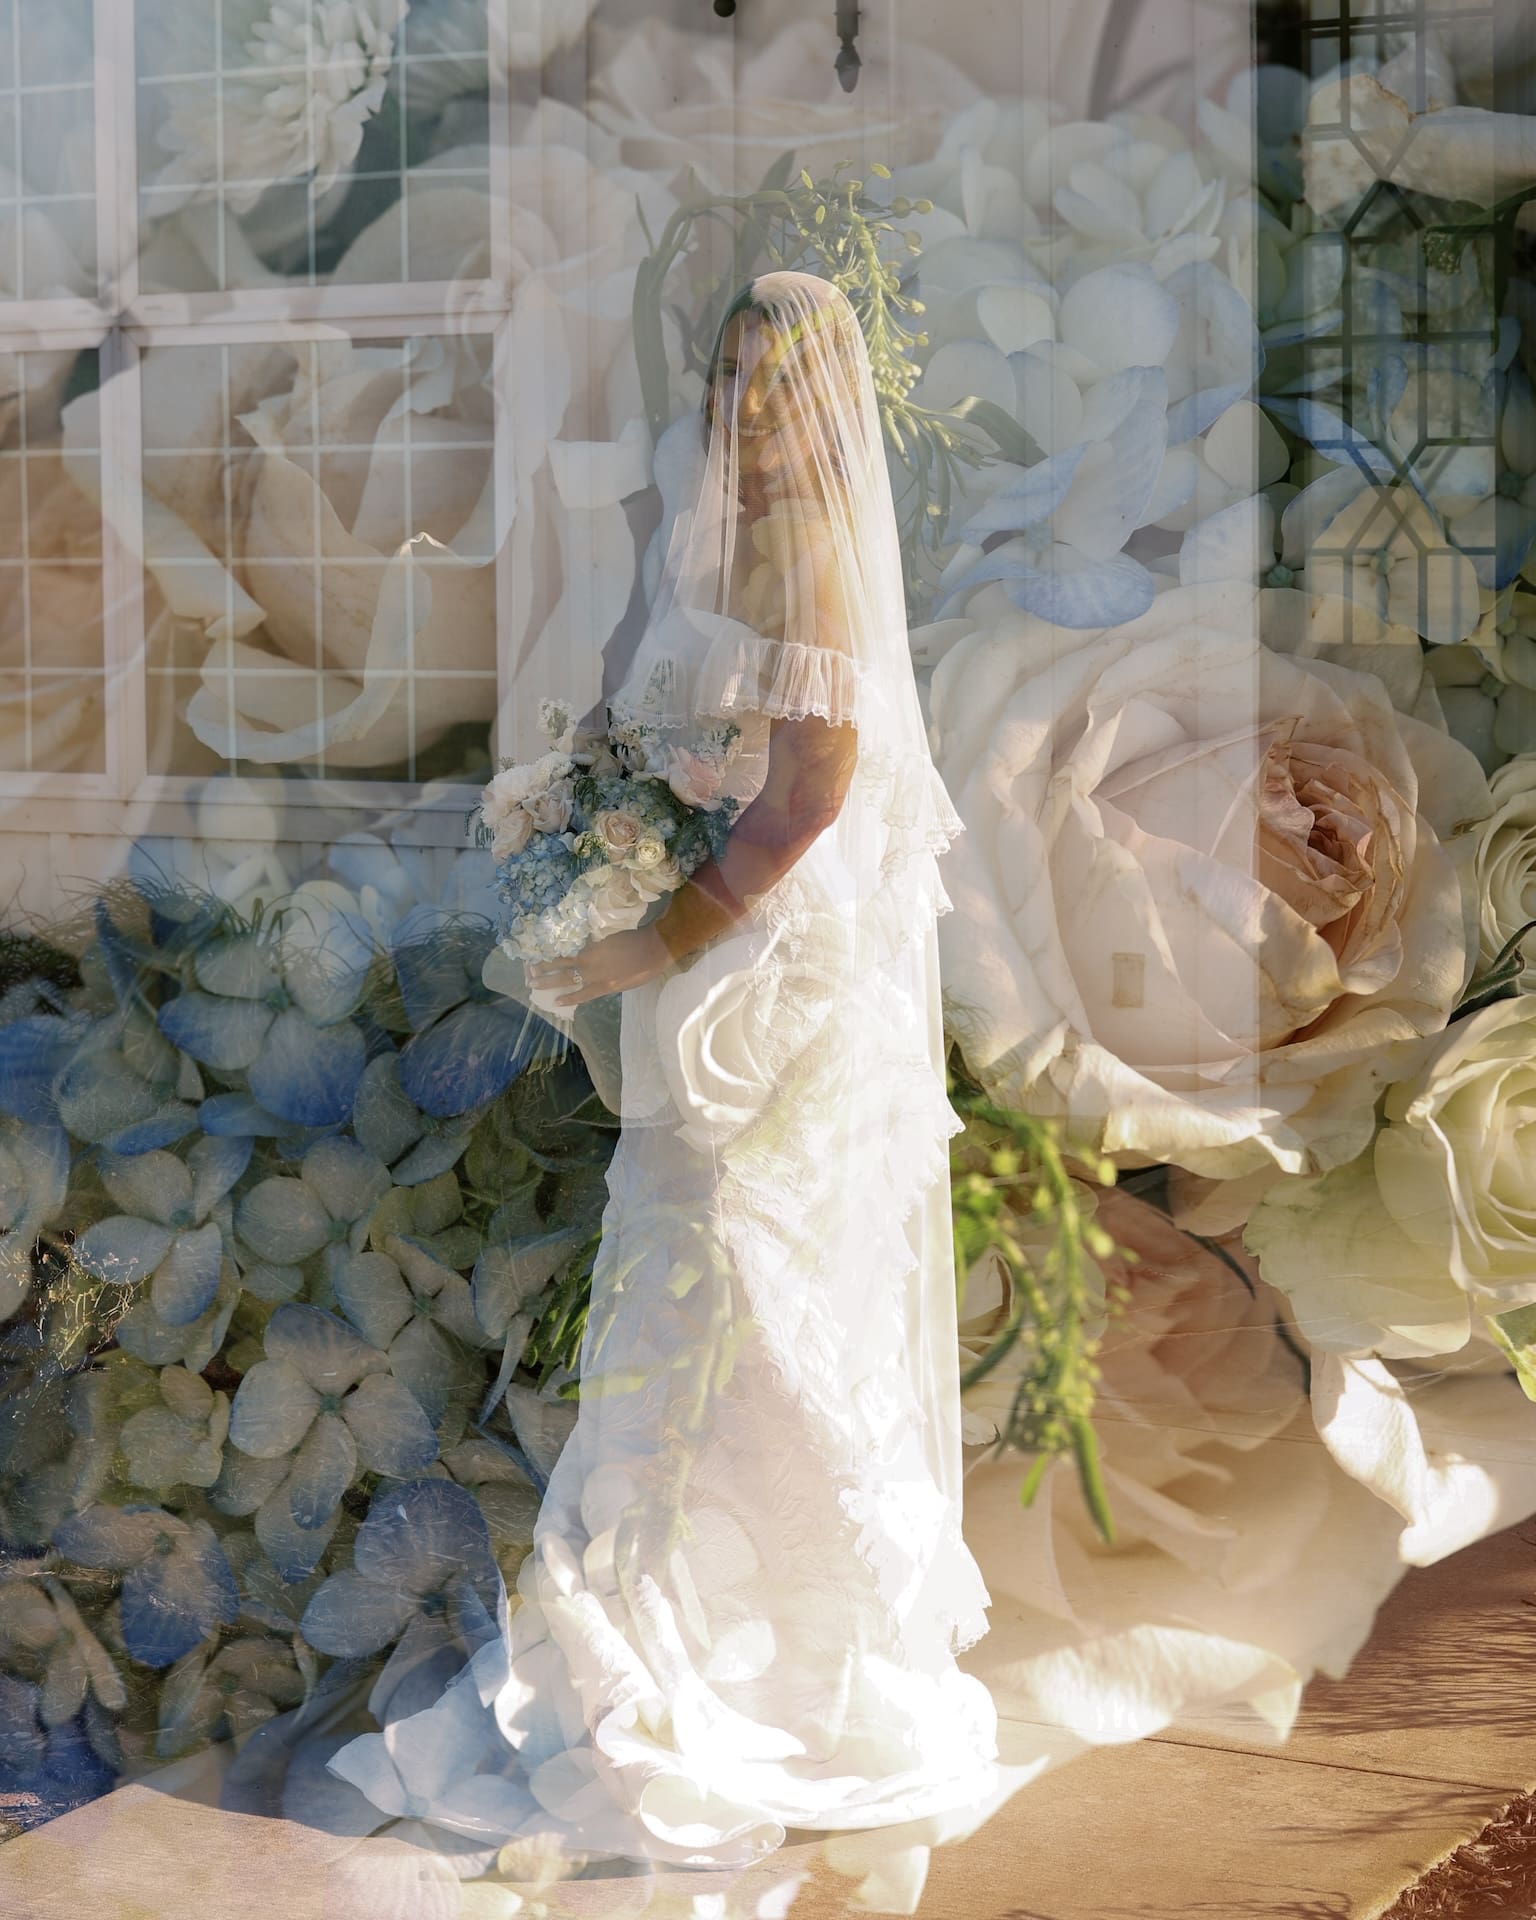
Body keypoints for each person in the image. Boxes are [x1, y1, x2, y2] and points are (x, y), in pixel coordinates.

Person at [326, 268, 1001, 1883]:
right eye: (737, 386)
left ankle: (810, 1653)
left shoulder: (826, 553)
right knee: (685, 1267)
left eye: (782, 392)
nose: (755, 420)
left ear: (828, 402)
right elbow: (663, 730)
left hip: (775, 951)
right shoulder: (706, 531)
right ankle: (668, 1617)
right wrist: (582, 818)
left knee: (762, 1266)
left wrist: (654, 937)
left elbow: (809, 795)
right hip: (710, 912)